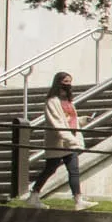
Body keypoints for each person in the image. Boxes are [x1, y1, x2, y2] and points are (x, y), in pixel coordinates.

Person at [22, 72, 95, 210]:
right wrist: (72, 140)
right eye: (66, 81)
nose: (68, 84)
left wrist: (83, 120)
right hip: (58, 143)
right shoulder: (52, 102)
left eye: (70, 81)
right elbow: (57, 124)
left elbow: (69, 120)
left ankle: (78, 200)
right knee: (50, 169)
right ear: (58, 83)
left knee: (73, 170)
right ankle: (34, 195)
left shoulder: (68, 102)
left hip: (69, 141)